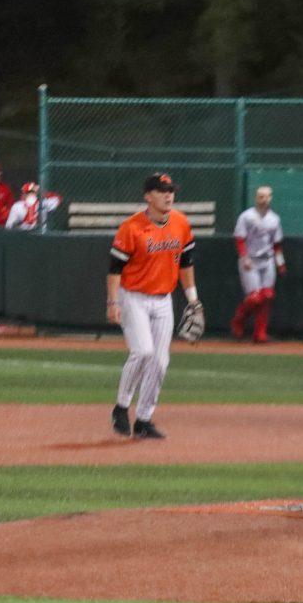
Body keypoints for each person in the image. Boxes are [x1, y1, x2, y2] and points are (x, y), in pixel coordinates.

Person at [106, 172, 201, 439]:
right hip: (133, 296)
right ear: (148, 196)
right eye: (161, 190)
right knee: (143, 352)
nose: (168, 194)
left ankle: (144, 420)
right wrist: (113, 301)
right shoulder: (131, 227)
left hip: (163, 300)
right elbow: (114, 269)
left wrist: (193, 299)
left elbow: (186, 263)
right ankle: (121, 407)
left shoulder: (181, 223)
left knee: (160, 362)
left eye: (171, 189)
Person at [230, 185, 286, 343]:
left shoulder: (274, 219)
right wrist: (244, 257)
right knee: (254, 298)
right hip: (250, 261)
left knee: (267, 296)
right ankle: (238, 321)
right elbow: (239, 239)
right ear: (256, 198)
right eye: (261, 196)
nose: (264, 199)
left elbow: (277, 245)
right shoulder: (246, 216)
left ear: (271, 198)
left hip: (267, 260)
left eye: (267, 196)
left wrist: (280, 264)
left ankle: (260, 333)